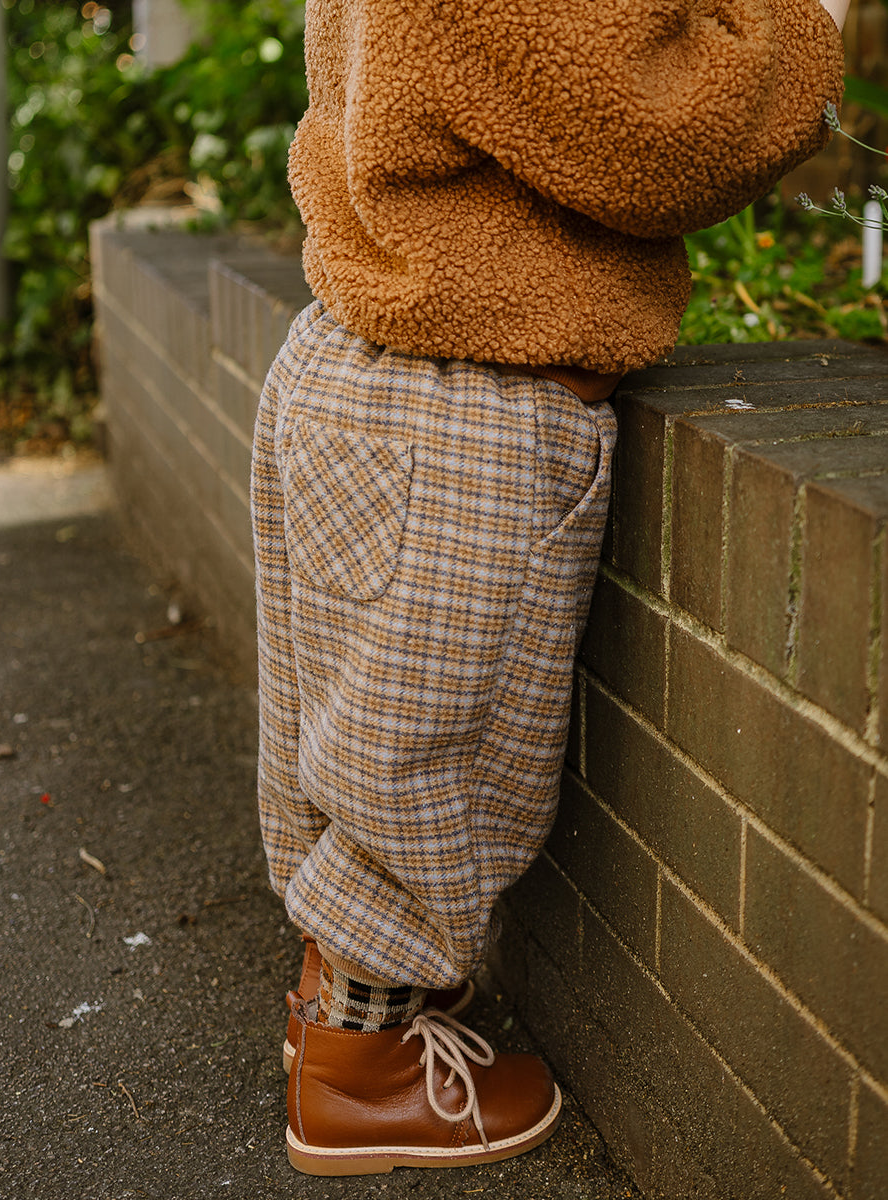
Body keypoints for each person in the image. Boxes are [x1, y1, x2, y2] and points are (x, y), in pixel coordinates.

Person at [251, 0, 848, 1176]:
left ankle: (338, 1002)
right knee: (424, 760)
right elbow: (651, 119)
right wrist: (802, 26)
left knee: (354, 733)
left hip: (364, 355)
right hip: (466, 402)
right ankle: (359, 1074)